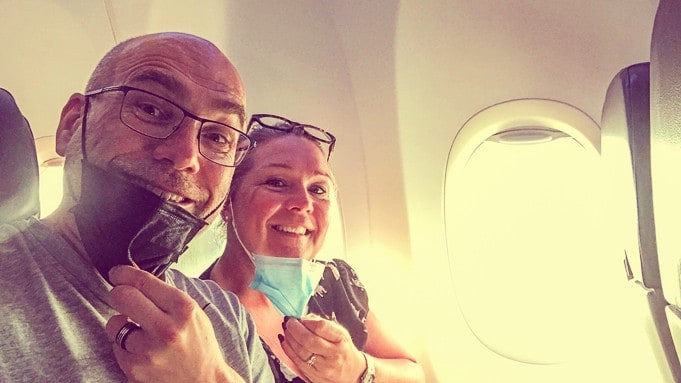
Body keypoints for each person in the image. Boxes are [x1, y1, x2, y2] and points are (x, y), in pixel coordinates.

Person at [0, 32, 274, 383]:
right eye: (151, 109)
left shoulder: (228, 316)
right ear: (72, 125)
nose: (185, 156)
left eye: (218, 137)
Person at [202, 114, 425, 383]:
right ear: (227, 201)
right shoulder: (200, 315)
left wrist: (358, 369)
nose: (304, 203)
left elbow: (414, 373)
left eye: (318, 189)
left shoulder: (335, 283)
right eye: (277, 182)